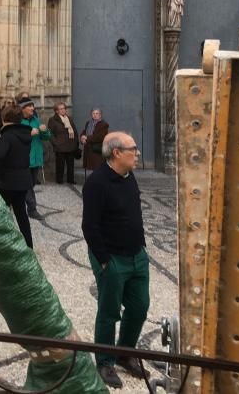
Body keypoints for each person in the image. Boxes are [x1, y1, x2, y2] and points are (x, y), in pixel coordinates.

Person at [82, 132, 150, 389]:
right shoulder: (97, 183)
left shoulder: (129, 176)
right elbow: (90, 225)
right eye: (134, 148)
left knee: (140, 306)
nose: (138, 153)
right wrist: (103, 260)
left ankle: (125, 352)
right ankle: (105, 361)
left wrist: (141, 247)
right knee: (109, 312)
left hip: (137, 256)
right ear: (117, 152)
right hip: (112, 259)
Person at [0, 104, 34, 248]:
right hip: (23, 180)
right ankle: (28, 246)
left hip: (7, 182)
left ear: (5, 118)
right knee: (21, 214)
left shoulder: (8, 135)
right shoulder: (25, 133)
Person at [18, 97, 50, 220]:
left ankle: (16, 201)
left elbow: (46, 137)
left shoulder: (36, 120)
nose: (32, 108)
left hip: (36, 159)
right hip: (25, 159)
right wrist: (28, 134)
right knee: (28, 186)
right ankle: (32, 209)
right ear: (22, 108)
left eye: (33, 106)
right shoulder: (18, 122)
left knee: (30, 184)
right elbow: (15, 137)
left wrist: (45, 130)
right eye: (29, 106)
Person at [47, 102, 79, 185]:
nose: (63, 110)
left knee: (71, 165)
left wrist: (75, 142)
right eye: (60, 109)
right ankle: (59, 179)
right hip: (60, 146)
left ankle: (70, 179)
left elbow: (74, 131)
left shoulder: (69, 118)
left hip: (70, 145)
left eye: (64, 108)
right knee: (60, 165)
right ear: (56, 111)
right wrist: (55, 143)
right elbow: (50, 133)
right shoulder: (52, 120)